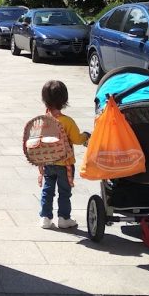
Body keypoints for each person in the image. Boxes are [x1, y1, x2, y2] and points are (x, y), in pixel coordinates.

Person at [39, 80, 90, 229]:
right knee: (64, 192)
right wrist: (86, 135)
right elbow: (77, 139)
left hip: (48, 162)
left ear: (45, 100)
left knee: (47, 191)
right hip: (65, 164)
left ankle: (45, 218)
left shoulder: (44, 120)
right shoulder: (67, 122)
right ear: (64, 100)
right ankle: (64, 218)